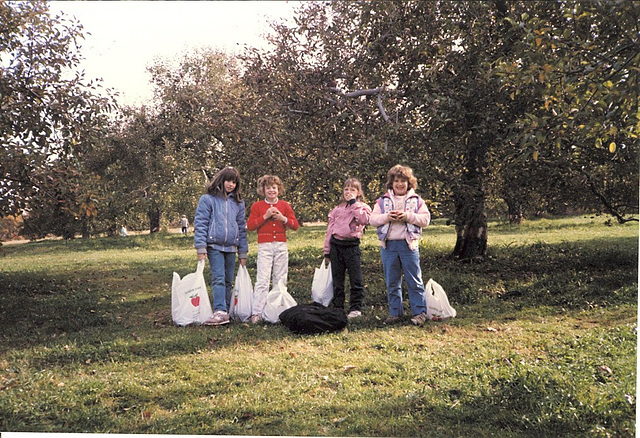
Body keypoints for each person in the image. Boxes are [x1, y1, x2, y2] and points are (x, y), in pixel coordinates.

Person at [369, 165, 431, 326]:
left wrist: (408, 216)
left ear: (409, 183)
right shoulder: (382, 201)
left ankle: (419, 312)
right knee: (392, 281)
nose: (400, 184)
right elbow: (372, 219)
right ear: (391, 183)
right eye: (397, 181)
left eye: (403, 181)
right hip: (388, 246)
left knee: (414, 280)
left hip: (408, 245)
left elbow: (425, 219)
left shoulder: (416, 200)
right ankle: (395, 313)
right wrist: (387, 217)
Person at [194, 167, 248, 326]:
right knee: (218, 278)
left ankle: (225, 310)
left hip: (231, 247)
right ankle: (219, 310)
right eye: (228, 181)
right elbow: (201, 223)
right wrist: (201, 247)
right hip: (214, 246)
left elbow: (241, 227)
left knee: (228, 280)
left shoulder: (238, 203)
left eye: (234, 182)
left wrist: (243, 252)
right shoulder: (207, 199)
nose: (231, 185)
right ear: (221, 180)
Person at [246, 175, 299, 323]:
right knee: (262, 279)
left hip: (281, 245)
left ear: (279, 189)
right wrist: (265, 216)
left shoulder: (284, 205)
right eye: (268, 188)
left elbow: (295, 225)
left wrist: (283, 219)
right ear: (263, 190)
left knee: (280, 278)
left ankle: (279, 310)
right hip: (265, 246)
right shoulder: (257, 206)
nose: (271, 190)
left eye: (274, 188)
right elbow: (250, 226)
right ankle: (257, 312)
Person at [323, 178, 371, 319]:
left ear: (359, 193)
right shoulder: (337, 209)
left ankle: (356, 307)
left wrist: (353, 204)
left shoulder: (362, 207)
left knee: (355, 278)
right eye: (346, 189)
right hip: (336, 246)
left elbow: (364, 220)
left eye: (352, 190)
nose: (348, 192)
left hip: (351, 246)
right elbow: (330, 230)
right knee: (337, 279)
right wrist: (327, 250)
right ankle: (338, 306)